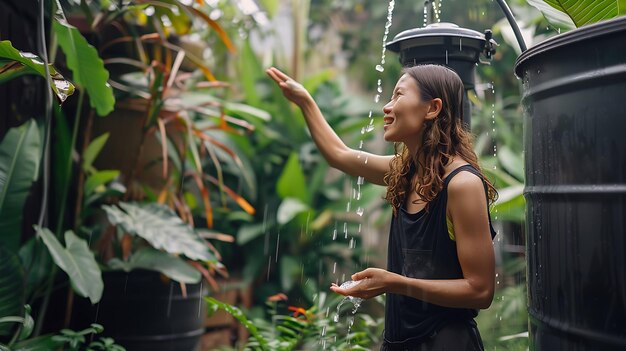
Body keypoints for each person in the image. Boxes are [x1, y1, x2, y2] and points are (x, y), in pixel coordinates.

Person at [266, 64, 497, 351]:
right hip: (399, 342)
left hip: (447, 343)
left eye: (398, 95)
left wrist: (394, 283)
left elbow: (481, 290)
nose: (387, 107)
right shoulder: (406, 171)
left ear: (432, 108)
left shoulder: (461, 184)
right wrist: (305, 101)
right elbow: (339, 155)